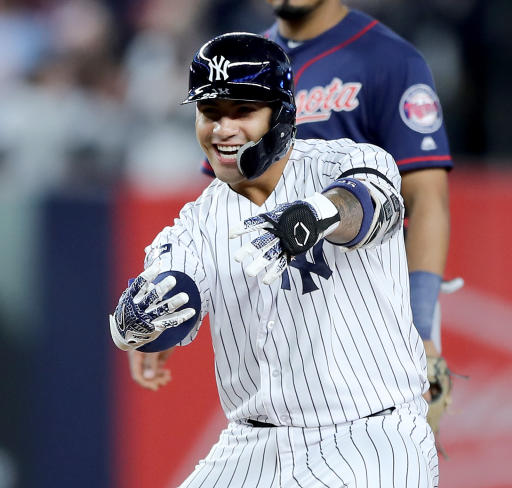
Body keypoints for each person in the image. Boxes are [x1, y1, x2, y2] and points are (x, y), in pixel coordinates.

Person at [109, 32, 439, 487]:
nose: (223, 129)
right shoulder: (198, 221)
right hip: (251, 446)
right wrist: (138, 323)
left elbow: (371, 205)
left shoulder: (346, 161)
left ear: (281, 116)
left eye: (243, 112)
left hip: (369, 438)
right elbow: (164, 296)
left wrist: (315, 215)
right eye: (211, 113)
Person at [236, 0, 461, 435]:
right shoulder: (242, 66)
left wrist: (420, 327)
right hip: (276, 328)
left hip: (367, 320)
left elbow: (425, 200)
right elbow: (221, 205)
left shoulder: (388, 59)